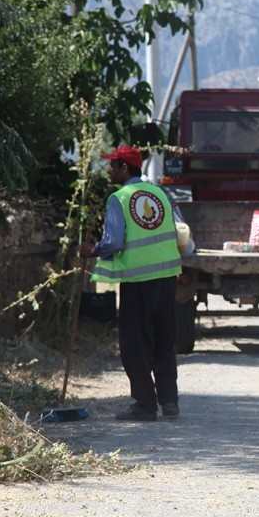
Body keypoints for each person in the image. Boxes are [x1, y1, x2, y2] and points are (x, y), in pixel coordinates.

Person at [81, 145, 184, 421]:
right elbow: (177, 232)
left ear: (125, 168)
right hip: (166, 278)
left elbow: (114, 242)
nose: (109, 170)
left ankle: (145, 404)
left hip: (137, 280)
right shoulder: (161, 193)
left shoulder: (119, 198)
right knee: (164, 340)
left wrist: (92, 250)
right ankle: (170, 402)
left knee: (134, 343)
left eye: (112, 165)